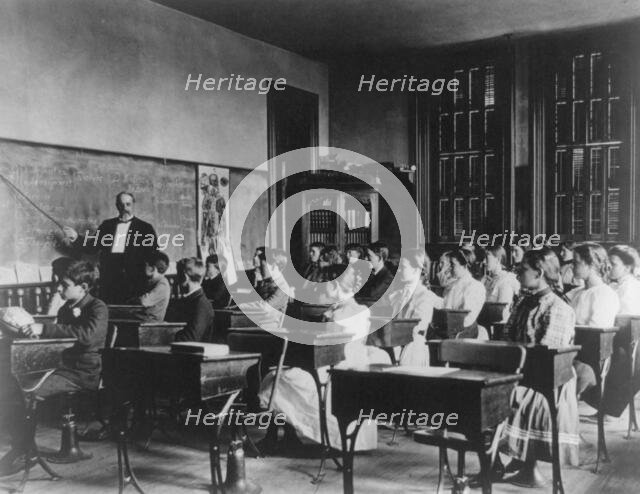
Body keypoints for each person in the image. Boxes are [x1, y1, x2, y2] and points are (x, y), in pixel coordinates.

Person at [257, 265, 389, 451]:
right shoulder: (358, 309)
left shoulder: (339, 313)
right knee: (281, 375)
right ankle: (289, 436)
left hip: (336, 370)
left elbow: (324, 346)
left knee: (276, 379)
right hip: (350, 366)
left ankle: (279, 438)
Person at [0, 261, 108, 475]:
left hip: (82, 373)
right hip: (61, 368)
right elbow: (59, 338)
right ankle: (23, 448)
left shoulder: (98, 307)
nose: (58, 289)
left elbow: (87, 336)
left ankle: (24, 451)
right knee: (13, 385)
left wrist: (44, 328)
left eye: (64, 285)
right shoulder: (67, 308)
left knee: (26, 392)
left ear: (83, 287)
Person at [497, 247, 579, 486]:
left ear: (539, 273)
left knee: (499, 395)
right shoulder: (524, 302)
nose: (518, 274)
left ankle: (511, 463)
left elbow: (546, 356)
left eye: (522, 270)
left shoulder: (558, 308)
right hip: (522, 371)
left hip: (547, 381)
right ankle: (492, 465)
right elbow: (507, 337)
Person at [63, 192, 157, 303]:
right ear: (117, 206)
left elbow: (153, 255)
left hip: (134, 283)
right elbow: (92, 247)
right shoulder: (107, 226)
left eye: (128, 204)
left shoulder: (145, 228)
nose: (125, 208)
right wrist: (76, 238)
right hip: (110, 281)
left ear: (133, 205)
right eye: (121, 205)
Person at [566, 243, 620, 403]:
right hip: (571, 348)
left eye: (575, 262)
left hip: (588, 356)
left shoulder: (604, 294)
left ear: (591, 264)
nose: (571, 266)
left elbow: (596, 334)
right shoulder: (577, 292)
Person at [591, 245, 640, 418]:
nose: (609, 267)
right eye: (607, 263)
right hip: (618, 334)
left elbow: (625, 320)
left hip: (629, 338)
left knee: (613, 359)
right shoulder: (613, 285)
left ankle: (609, 411)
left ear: (627, 267)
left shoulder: (631, 287)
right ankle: (603, 408)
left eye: (614, 264)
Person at [386, 249, 443, 366]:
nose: (399, 270)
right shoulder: (399, 294)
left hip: (412, 347)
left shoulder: (425, 297)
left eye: (403, 267)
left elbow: (417, 327)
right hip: (395, 341)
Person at [441, 249, 487, 338]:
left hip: (464, 331)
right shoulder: (452, 285)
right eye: (449, 264)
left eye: (453, 264)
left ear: (465, 266)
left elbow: (467, 319)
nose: (449, 267)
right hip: (449, 328)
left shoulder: (475, 286)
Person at [171, 258, 215, 342]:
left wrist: (166, 336)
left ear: (185, 277)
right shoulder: (193, 300)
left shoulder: (201, 305)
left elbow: (191, 339)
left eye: (178, 275)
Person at [130, 250, 171, 322]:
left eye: (145, 265)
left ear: (153, 268)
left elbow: (144, 301)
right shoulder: (153, 282)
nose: (143, 268)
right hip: (145, 320)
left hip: (151, 324)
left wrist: (134, 299)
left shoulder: (163, 284)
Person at [482, 245, 520, 320]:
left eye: (487, 257)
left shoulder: (506, 279)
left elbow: (503, 310)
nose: (484, 262)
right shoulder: (486, 280)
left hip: (499, 324)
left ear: (498, 259)